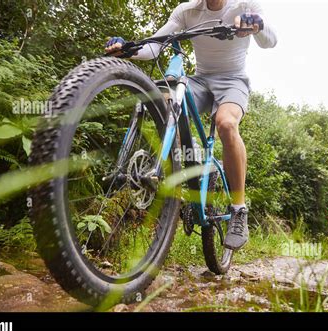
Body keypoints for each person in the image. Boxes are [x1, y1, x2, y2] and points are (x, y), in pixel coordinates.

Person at [105, 0, 278, 250]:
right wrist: (127, 49)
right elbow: (155, 46)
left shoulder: (244, 5)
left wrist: (257, 24)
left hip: (233, 81)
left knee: (226, 124)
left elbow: (270, 40)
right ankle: (192, 156)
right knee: (166, 105)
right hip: (200, 80)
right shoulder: (188, 10)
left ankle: (239, 210)